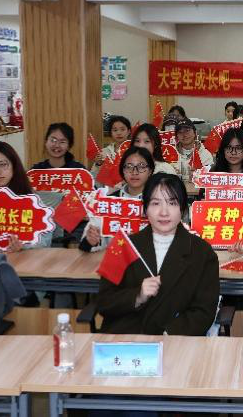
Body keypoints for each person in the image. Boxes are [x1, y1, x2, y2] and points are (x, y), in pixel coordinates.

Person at [95, 174, 220, 335]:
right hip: (126, 337)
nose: (164, 212)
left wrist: (169, 334)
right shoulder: (125, 246)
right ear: (145, 208)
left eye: (172, 203)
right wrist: (137, 296)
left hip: (175, 340)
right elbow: (104, 302)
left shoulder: (202, 252)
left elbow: (204, 312)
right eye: (155, 203)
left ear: (183, 209)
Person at [0, 141, 54, 252]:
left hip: (23, 259)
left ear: (14, 165)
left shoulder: (30, 199)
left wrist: (23, 246)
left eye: (3, 164)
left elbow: (45, 240)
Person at [79, 146, 155, 253]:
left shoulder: (159, 202)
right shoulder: (109, 201)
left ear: (150, 171)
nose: (134, 172)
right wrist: (90, 241)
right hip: (114, 259)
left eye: (141, 166)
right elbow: (85, 245)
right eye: (129, 166)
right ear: (122, 170)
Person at [91, 115, 131, 180]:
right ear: (110, 133)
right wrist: (98, 164)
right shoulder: (104, 152)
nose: (119, 133)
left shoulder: (135, 150)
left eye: (122, 129)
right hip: (109, 185)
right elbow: (93, 177)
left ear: (128, 131)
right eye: (115, 130)